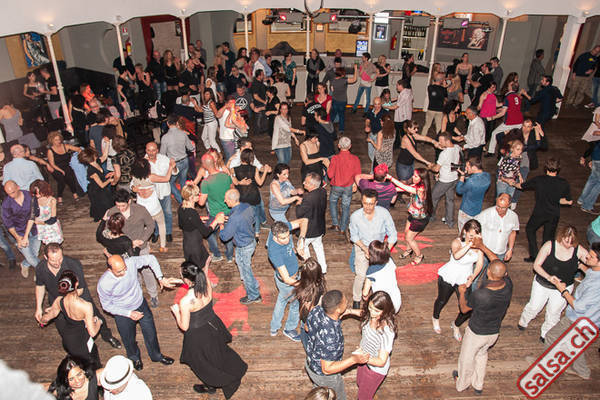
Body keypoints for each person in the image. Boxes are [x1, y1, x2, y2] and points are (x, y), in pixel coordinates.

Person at [171, 262, 248, 398]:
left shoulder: (186, 301)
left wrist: (176, 312)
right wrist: (181, 281)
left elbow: (184, 326)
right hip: (212, 325)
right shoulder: (206, 283)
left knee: (202, 363)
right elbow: (201, 275)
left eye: (181, 276)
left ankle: (212, 384)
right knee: (217, 352)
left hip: (198, 335)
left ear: (187, 280)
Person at [97, 254, 178, 371]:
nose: (124, 272)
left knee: (150, 332)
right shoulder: (104, 284)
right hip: (122, 313)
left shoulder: (130, 263)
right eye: (119, 271)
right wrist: (128, 313)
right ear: (110, 270)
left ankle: (156, 356)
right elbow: (106, 306)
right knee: (128, 338)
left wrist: (160, 278)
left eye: (124, 268)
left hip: (140, 304)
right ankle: (134, 358)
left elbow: (151, 259)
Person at [35, 243, 121, 351]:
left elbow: (80, 289)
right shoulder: (40, 268)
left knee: (95, 316)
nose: (57, 263)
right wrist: (38, 307)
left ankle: (107, 336)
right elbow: (40, 286)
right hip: (56, 299)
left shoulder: (73, 265)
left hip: (79, 297)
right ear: (45, 257)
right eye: (53, 260)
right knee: (63, 327)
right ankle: (72, 347)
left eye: (60, 259)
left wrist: (62, 303)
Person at [453, 246, 513, 396]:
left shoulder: (481, 294)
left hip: (477, 332)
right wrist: (482, 246)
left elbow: (464, 309)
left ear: (488, 272)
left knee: (466, 359)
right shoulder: (508, 284)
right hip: (494, 332)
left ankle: (462, 384)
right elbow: (496, 261)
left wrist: (462, 293)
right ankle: (478, 384)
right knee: (482, 354)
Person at [518, 225, 588, 342]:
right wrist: (549, 277)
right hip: (543, 284)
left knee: (554, 312)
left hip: (563, 288)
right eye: (566, 241)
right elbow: (536, 265)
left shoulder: (579, 250)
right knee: (534, 307)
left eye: (571, 242)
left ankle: (546, 333)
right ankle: (524, 321)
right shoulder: (549, 245)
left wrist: (583, 266)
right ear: (561, 237)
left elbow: (592, 263)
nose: (568, 244)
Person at [541, 241, 600, 380]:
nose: (587, 257)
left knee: (551, 337)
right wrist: (578, 264)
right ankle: (583, 371)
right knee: (576, 346)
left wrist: (563, 290)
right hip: (592, 320)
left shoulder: (596, 285)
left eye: (591, 257)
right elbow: (589, 272)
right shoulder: (595, 272)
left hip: (580, 319)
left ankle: (548, 368)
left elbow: (578, 306)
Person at [304, 290, 370, 400]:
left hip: (310, 362)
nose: (347, 301)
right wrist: (354, 360)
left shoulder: (317, 309)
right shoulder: (331, 337)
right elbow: (327, 369)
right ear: (337, 310)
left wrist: (350, 311)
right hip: (324, 376)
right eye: (345, 301)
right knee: (337, 395)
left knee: (319, 387)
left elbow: (307, 327)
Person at [106, 190, 160, 307]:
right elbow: (108, 231)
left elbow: (151, 225)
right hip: (123, 249)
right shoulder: (112, 212)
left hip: (141, 246)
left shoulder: (140, 210)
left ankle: (153, 294)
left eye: (123, 206)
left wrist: (143, 239)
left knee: (147, 270)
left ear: (129, 201)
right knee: (131, 272)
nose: (120, 208)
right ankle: (137, 292)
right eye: (118, 205)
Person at [512, 158, 572, 262]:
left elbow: (521, 186)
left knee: (530, 229)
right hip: (554, 214)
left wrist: (513, 183)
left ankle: (534, 255)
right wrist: (556, 199)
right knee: (548, 237)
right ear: (558, 169)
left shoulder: (539, 180)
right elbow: (569, 202)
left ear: (546, 168)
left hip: (540, 212)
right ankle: (545, 257)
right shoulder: (564, 183)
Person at [40, 270, 102, 369]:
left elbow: (47, 317)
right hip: (82, 343)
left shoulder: (59, 301)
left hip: (68, 340)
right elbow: (93, 332)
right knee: (92, 366)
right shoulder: (86, 306)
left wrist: (42, 321)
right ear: (76, 284)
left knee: (77, 362)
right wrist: (98, 322)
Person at [433, 220, 484, 340]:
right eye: (471, 235)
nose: (473, 238)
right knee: (442, 300)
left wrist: (472, 277)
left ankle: (456, 325)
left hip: (464, 279)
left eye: (476, 235)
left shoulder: (479, 246)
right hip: (449, 275)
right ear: (465, 232)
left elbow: (480, 264)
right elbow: (456, 256)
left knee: (467, 308)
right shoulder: (457, 242)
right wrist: (469, 245)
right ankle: (435, 317)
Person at [349, 189, 397, 309]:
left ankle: (380, 298)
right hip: (362, 246)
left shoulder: (384, 213)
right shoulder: (355, 216)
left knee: (381, 275)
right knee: (360, 275)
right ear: (362, 202)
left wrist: (384, 251)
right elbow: (354, 237)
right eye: (365, 203)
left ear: (376, 203)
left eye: (371, 204)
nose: (368, 207)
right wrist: (365, 250)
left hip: (378, 248)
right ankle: (356, 299)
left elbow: (393, 235)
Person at [267, 218, 308, 341]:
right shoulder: (274, 252)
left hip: (289, 277)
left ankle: (274, 327)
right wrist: (305, 284)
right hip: (288, 282)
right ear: (274, 236)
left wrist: (301, 241)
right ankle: (289, 329)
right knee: (295, 304)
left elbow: (304, 221)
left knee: (282, 300)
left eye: (288, 236)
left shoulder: (282, 228)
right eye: (283, 238)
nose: (287, 240)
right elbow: (287, 280)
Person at [220, 188, 262, 304]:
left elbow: (224, 237)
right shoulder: (247, 206)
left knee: (245, 271)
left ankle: (254, 296)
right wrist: (230, 220)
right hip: (250, 241)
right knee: (242, 266)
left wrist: (221, 223)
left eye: (226, 199)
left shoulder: (235, 217)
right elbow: (253, 220)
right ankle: (254, 284)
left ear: (232, 200)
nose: (224, 201)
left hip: (244, 247)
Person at [355, 291, 397, 400]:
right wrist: (348, 311)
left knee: (364, 397)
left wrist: (362, 357)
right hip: (364, 358)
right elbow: (363, 313)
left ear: (385, 311)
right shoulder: (371, 314)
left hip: (374, 369)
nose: (372, 313)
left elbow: (381, 361)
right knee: (359, 382)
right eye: (370, 308)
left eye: (376, 311)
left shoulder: (386, 331)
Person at [387, 169, 431, 266]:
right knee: (406, 233)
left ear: (422, 178)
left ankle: (419, 255)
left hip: (419, 220)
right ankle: (408, 250)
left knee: (409, 238)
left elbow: (405, 187)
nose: (412, 177)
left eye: (415, 176)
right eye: (413, 175)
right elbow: (401, 188)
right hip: (413, 215)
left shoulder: (421, 189)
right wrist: (386, 189)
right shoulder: (417, 185)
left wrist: (391, 178)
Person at [474, 193, 519, 288]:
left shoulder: (513, 217)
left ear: (509, 205)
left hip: (500, 253)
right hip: (484, 252)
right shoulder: (486, 214)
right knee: (474, 277)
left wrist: (510, 249)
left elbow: (513, 232)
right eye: (498, 206)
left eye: (503, 208)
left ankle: (485, 292)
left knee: (492, 279)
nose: (499, 209)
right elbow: (473, 228)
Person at [198, 153, 234, 262]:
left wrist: (198, 194)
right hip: (228, 211)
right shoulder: (226, 175)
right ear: (214, 162)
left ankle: (217, 255)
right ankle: (229, 256)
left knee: (208, 233)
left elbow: (201, 203)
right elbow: (232, 190)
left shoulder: (205, 182)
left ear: (204, 165)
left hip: (215, 214)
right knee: (229, 234)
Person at [2, 180, 40, 278]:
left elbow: (35, 214)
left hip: (34, 229)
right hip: (19, 232)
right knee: (30, 257)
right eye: (8, 194)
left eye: (13, 192)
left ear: (18, 187)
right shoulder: (6, 204)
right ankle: (44, 273)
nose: (11, 196)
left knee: (34, 253)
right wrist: (18, 238)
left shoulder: (30, 196)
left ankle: (25, 264)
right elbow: (8, 224)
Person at [232, 148, 270, 239]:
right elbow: (260, 183)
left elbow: (234, 181)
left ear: (241, 157)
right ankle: (256, 234)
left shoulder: (233, 169)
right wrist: (265, 172)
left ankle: (244, 231)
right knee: (256, 214)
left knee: (243, 214)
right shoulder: (254, 169)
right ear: (251, 159)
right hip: (253, 195)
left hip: (241, 195)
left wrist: (240, 182)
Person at [327, 136, 361, 236]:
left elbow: (330, 175)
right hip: (348, 186)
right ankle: (342, 228)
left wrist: (328, 166)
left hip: (336, 186)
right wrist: (355, 184)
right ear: (350, 146)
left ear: (338, 146)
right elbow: (358, 174)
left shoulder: (335, 158)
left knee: (333, 202)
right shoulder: (355, 159)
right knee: (346, 207)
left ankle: (335, 224)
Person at [296, 172, 328, 274]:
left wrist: (298, 204)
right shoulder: (323, 191)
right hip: (319, 227)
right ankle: (323, 269)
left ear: (312, 185)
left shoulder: (308, 198)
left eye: (306, 182)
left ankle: (309, 268)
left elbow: (299, 214)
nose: (303, 183)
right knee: (318, 247)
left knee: (303, 248)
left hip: (309, 231)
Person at [160, 114, 196, 203]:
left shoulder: (165, 137)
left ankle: (181, 200)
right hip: (184, 160)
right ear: (177, 123)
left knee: (170, 183)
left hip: (174, 164)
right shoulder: (183, 133)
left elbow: (162, 154)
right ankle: (185, 199)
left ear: (167, 124)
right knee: (183, 181)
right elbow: (191, 148)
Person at [430, 132, 461, 229]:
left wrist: (431, 166)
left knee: (433, 198)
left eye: (441, 141)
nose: (439, 143)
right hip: (454, 178)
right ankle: (449, 221)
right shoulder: (457, 147)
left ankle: (431, 216)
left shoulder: (444, 154)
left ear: (447, 141)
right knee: (450, 200)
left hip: (445, 180)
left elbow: (436, 169)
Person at [294, 257, 327, 349]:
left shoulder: (304, 291)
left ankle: (310, 354)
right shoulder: (320, 283)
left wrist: (307, 323)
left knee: (307, 343)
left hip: (307, 320)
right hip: (315, 319)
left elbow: (308, 309)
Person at [144, 142, 174, 243]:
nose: (151, 153)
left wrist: (173, 166)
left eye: (153, 150)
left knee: (168, 213)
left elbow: (174, 171)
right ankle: (156, 232)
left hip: (165, 190)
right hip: (152, 194)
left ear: (157, 150)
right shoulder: (143, 162)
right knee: (154, 214)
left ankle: (168, 232)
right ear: (146, 150)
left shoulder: (164, 159)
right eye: (149, 150)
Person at [362, 241, 401, 313]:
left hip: (382, 306)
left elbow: (365, 293)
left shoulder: (371, 270)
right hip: (396, 301)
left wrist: (366, 299)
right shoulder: (390, 260)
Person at [78, 148, 114, 222]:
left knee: (108, 204)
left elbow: (104, 156)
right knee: (103, 208)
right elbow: (102, 185)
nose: (96, 154)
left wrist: (107, 144)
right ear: (91, 157)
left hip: (101, 189)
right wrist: (110, 180)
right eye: (94, 154)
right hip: (96, 191)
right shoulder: (91, 170)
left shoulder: (96, 162)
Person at [455, 157, 490, 232]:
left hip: (466, 210)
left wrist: (462, 176)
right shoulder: (487, 177)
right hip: (477, 209)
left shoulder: (471, 181)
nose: (466, 168)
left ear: (474, 167)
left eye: (467, 167)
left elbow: (459, 190)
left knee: (463, 232)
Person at [30, 179, 63, 245]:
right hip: (41, 227)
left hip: (51, 226)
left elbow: (53, 219)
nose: (37, 195)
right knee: (46, 245)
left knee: (54, 245)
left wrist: (41, 222)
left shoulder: (52, 200)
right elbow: (33, 214)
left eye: (38, 193)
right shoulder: (34, 200)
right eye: (35, 193)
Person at [330, 64, 357, 134]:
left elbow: (332, 90)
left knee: (332, 115)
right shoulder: (344, 80)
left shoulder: (333, 80)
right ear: (342, 74)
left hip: (334, 100)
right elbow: (354, 80)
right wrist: (355, 69)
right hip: (342, 101)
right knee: (341, 116)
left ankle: (328, 127)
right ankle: (341, 130)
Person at [364, 97, 387, 168]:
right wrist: (367, 126)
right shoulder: (370, 111)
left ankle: (374, 170)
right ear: (373, 104)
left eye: (378, 104)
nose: (377, 106)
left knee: (377, 154)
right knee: (370, 153)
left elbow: (387, 124)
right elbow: (367, 120)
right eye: (375, 104)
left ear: (381, 103)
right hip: (371, 134)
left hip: (379, 136)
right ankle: (376, 166)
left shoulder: (385, 113)